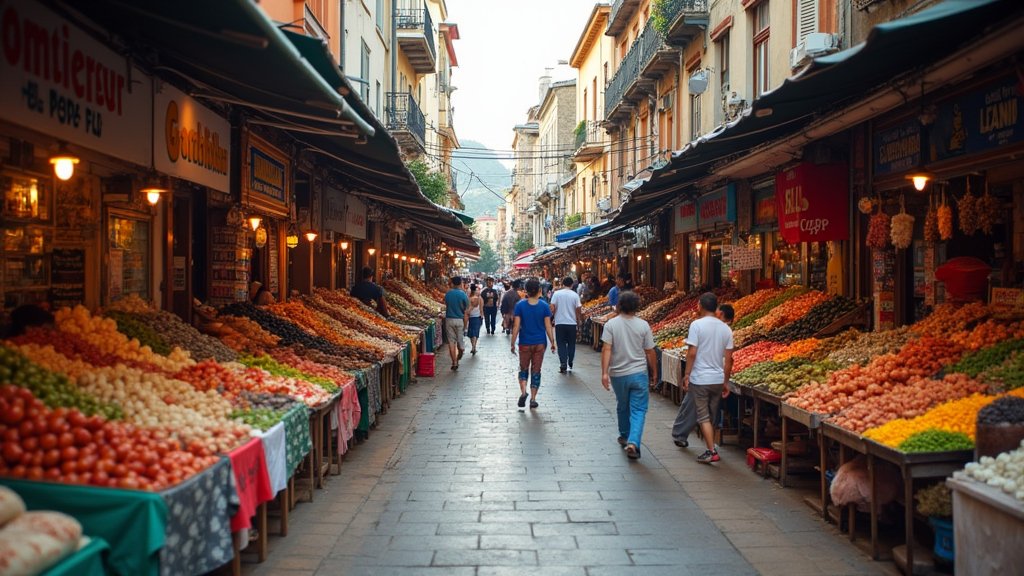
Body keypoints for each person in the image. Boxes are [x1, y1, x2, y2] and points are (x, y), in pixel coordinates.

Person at [600, 290, 657, 460]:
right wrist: (655, 372)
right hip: (639, 373)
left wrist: (604, 373)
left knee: (622, 405)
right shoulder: (643, 325)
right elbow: (650, 351)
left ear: (619, 305)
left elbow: (606, 349)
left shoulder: (611, 325)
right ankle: (633, 442)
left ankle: (625, 435)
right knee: (639, 409)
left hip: (618, 374)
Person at [671, 303, 734, 450]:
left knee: (700, 412)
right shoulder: (725, 329)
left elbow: (692, 352)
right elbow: (729, 359)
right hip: (716, 377)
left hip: (701, 375)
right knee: (708, 412)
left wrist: (687, 374)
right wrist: (725, 380)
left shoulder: (699, 325)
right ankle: (706, 444)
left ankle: (709, 449)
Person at [510, 278, 556, 409]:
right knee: (536, 370)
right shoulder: (544, 306)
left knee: (523, 369)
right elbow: (548, 326)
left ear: (526, 291)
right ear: (539, 290)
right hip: (540, 343)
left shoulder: (520, 305)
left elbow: (516, 326)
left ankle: (524, 392)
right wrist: (553, 342)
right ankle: (533, 399)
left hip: (524, 342)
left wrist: (513, 342)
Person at [550, 276, 583, 373]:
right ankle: (570, 362)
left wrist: (554, 316)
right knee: (571, 343)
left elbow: (552, 307)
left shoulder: (556, 294)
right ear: (572, 285)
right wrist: (579, 319)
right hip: (571, 323)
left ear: (562, 284)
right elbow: (578, 309)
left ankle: (563, 363)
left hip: (559, 323)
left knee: (561, 344)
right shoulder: (575, 295)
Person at [444, 276, 470, 371]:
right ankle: (458, 358)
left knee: (451, 342)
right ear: (460, 283)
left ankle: (454, 362)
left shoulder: (448, 294)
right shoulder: (463, 294)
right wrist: (466, 325)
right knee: (460, 343)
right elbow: (466, 311)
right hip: (460, 320)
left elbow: (446, 305)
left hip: (449, 319)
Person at [467, 284, 483, 354]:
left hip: (471, 317)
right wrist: (482, 316)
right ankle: (474, 346)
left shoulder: (469, 298)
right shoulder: (480, 298)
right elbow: (481, 309)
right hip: (477, 317)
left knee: (471, 333)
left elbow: (467, 309)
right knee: (475, 333)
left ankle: (473, 346)